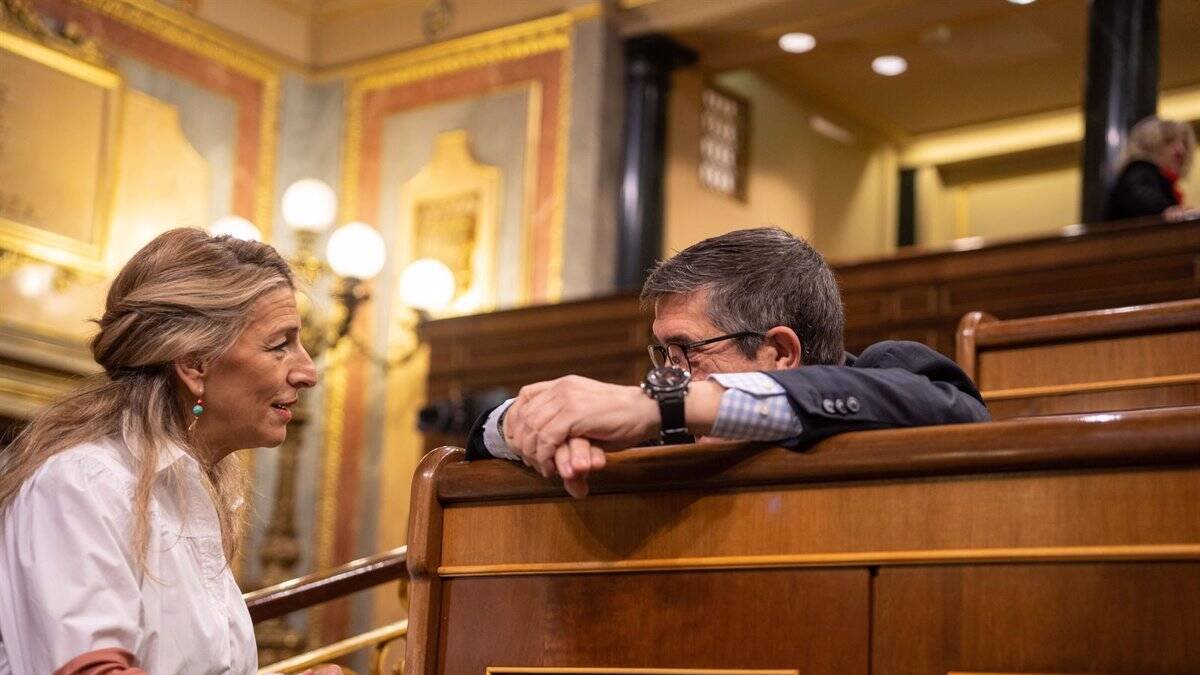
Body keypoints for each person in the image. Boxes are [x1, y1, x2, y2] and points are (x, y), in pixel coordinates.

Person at [0, 229, 320, 674]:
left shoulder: (182, 494)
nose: (308, 371)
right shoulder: (83, 484)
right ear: (194, 364)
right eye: (279, 345)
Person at [466, 227, 990, 498]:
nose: (668, 377)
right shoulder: (674, 426)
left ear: (781, 352)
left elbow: (961, 415)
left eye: (688, 352)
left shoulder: (888, 369)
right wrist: (522, 421)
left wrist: (666, 405)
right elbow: (479, 438)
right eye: (664, 355)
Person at [1106, 115, 1197, 222]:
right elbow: (1140, 196)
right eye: (1168, 141)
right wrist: (1166, 209)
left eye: (1184, 143)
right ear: (1149, 145)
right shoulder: (1139, 170)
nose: (1180, 149)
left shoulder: (1157, 178)